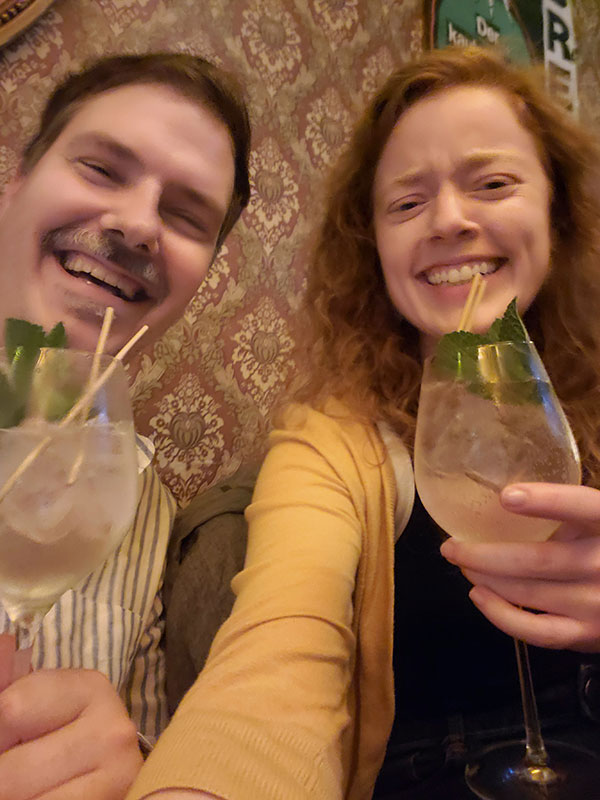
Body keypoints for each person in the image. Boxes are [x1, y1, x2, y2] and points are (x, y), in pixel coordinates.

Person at [126, 45, 600, 800]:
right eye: (407, 203)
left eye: (494, 184)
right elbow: (275, 660)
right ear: (373, 244)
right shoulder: (330, 438)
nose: (448, 219)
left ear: (558, 206)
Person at [0, 52, 250, 799]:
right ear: (16, 182)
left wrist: (130, 767)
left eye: (183, 215)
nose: (139, 224)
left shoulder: (141, 509)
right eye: (103, 169)